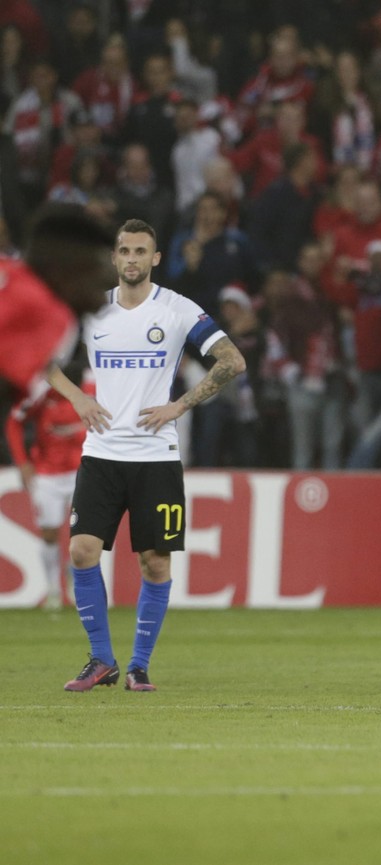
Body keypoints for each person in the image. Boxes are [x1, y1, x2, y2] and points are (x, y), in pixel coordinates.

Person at [47, 218, 246, 692]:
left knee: (155, 563)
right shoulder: (91, 311)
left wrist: (179, 405)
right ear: (114, 258)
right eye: (125, 251)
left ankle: (138, 666)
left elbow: (233, 360)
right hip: (101, 452)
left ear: (155, 258)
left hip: (157, 456)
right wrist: (78, 398)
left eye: (141, 251)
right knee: (80, 550)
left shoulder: (178, 310)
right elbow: (40, 356)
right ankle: (100, 660)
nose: (132, 259)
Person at [0, 204, 114, 402]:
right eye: (96, 280)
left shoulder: (8, 271)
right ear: (68, 272)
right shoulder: (49, 315)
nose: (103, 301)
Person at [4, 364, 91, 609]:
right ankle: (53, 588)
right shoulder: (39, 396)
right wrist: (22, 463)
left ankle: (76, 577)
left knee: (83, 534)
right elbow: (13, 423)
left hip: (82, 472)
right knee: (50, 533)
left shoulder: (93, 392)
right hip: (47, 474)